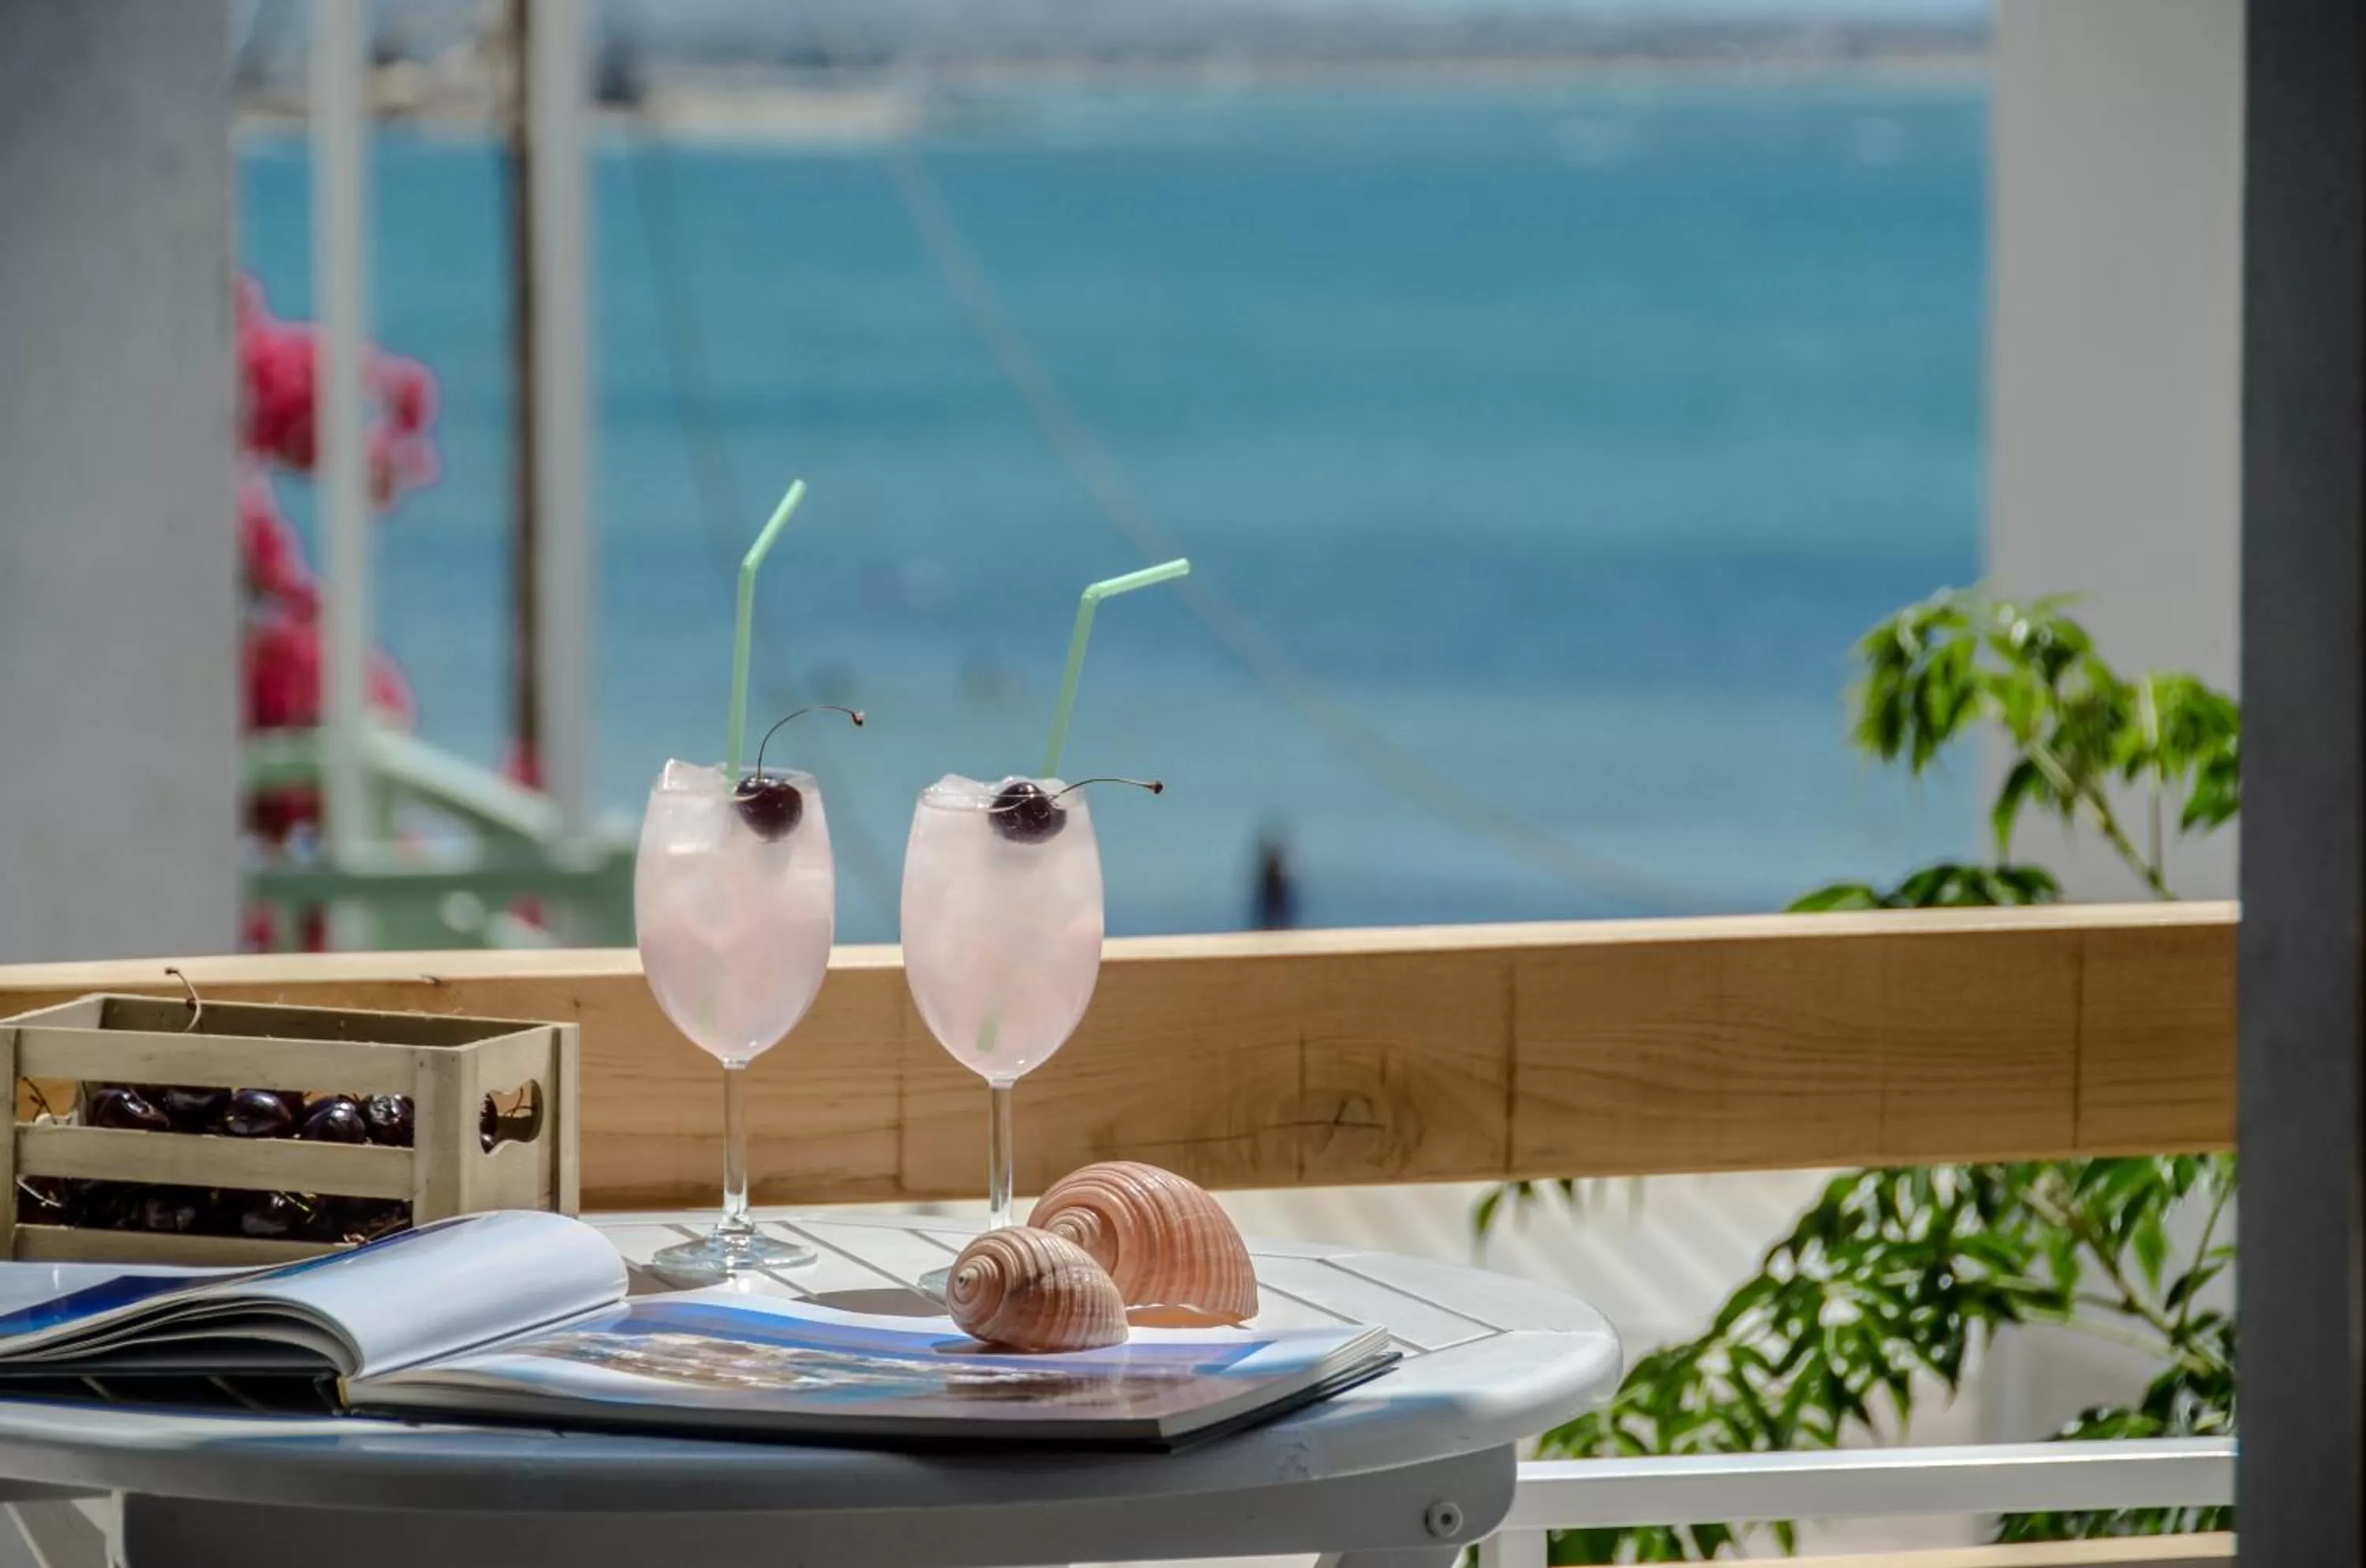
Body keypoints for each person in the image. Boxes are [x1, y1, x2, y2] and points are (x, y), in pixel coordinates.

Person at [1252, 830, 1297, 931]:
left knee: (1273, 913)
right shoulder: (1274, 872)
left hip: (1273, 897)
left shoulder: (1274, 872)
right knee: (1272, 913)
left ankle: (1276, 927)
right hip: (1272, 897)